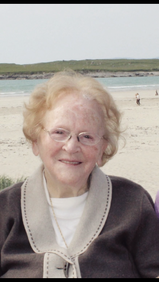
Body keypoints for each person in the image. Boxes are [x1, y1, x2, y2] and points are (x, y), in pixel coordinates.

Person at [1, 71, 159, 278]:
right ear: (35, 141)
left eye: (86, 136)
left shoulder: (133, 202)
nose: (71, 146)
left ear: (103, 148)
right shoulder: (5, 208)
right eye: (59, 132)